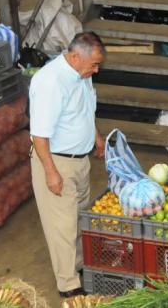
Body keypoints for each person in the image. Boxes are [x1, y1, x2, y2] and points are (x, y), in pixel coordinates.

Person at [29, 32, 106, 297]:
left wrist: (96, 138)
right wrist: (51, 172)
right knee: (61, 227)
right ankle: (68, 285)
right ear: (75, 56)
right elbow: (39, 134)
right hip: (57, 162)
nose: (96, 70)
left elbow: (85, 110)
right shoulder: (50, 82)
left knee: (78, 218)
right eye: (94, 64)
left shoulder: (81, 74)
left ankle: (79, 266)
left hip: (80, 160)